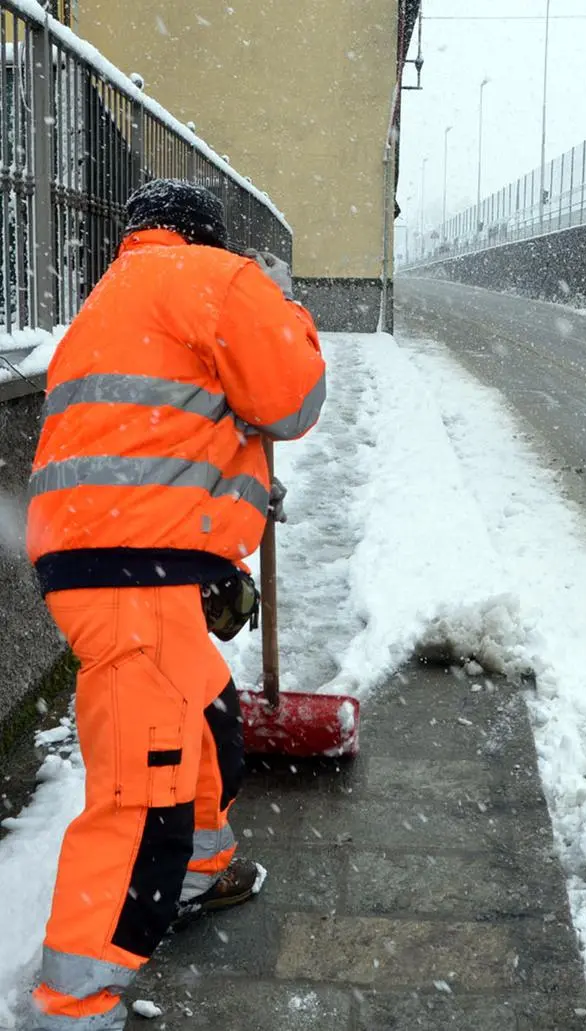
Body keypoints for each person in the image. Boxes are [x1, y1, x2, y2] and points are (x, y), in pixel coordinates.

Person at [25, 179, 326, 1031]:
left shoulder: (112, 297)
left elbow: (165, 425)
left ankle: (200, 868)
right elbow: (292, 398)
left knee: (206, 716)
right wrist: (284, 307)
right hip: (133, 570)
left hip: (117, 559)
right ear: (209, 236)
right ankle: (71, 1003)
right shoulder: (216, 280)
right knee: (139, 801)